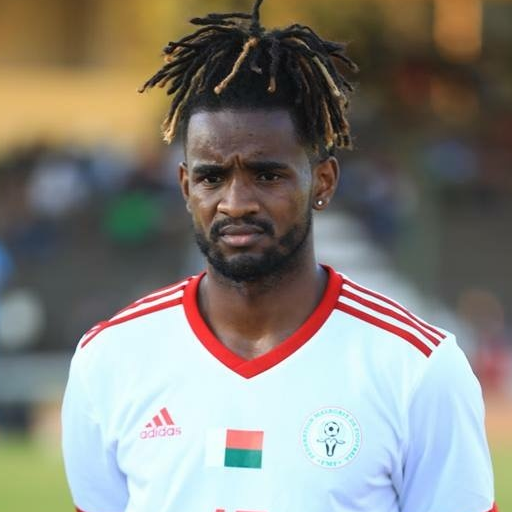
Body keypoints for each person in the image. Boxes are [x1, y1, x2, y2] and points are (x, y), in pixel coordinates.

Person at [61, 1, 497, 511]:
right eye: (211, 177)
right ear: (185, 186)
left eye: (267, 175)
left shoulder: (416, 368)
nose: (236, 202)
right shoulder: (111, 359)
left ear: (323, 182)